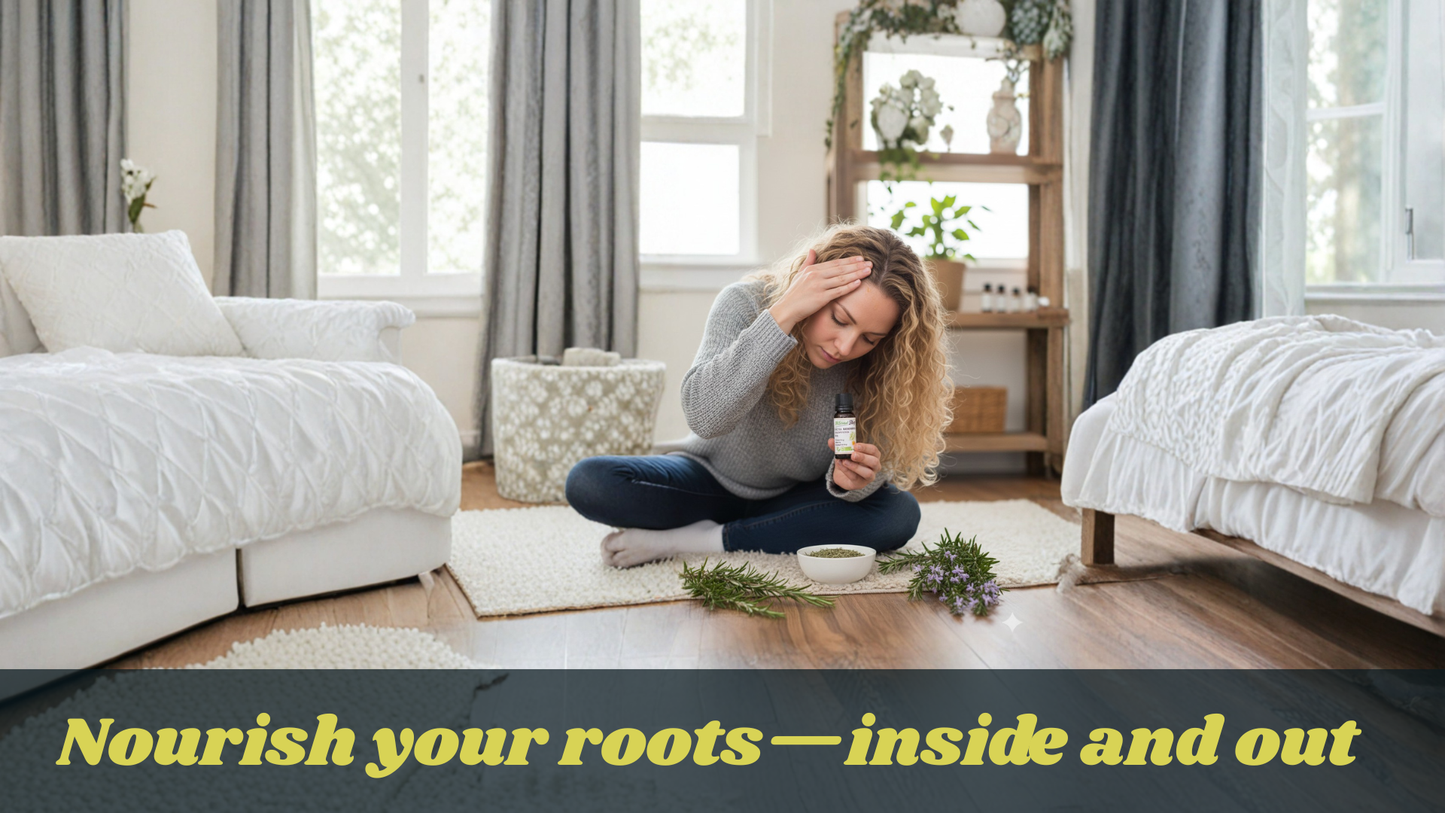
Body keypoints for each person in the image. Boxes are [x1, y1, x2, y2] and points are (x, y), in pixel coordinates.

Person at [565, 224, 952, 567]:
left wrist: (851, 481)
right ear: (811, 286)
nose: (846, 346)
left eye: (869, 338)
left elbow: (865, 470)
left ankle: (701, 541)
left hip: (796, 498)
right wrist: (783, 314)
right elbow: (704, 417)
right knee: (590, 482)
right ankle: (763, 530)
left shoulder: (884, 364)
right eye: (839, 319)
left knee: (898, 514)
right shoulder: (744, 303)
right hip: (708, 480)